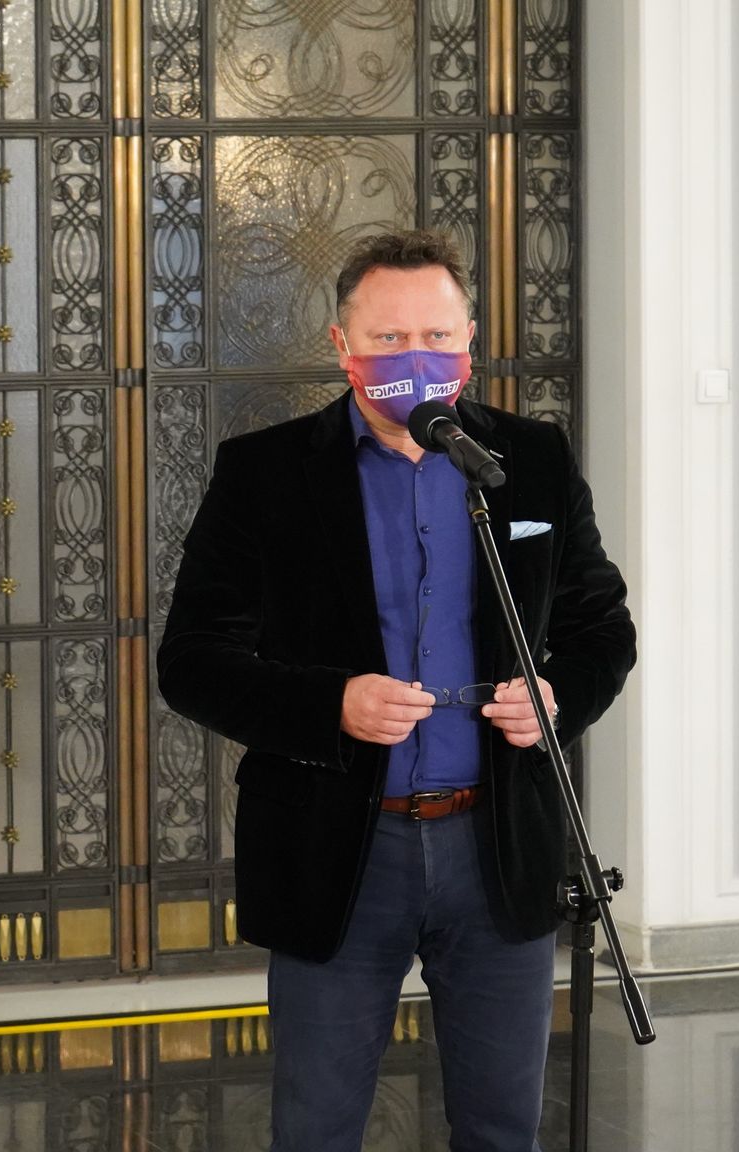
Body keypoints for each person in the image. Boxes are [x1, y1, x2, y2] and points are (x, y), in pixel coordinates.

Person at [156, 228, 635, 1151]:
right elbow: (193, 659)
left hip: (499, 843)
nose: (415, 357)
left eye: (436, 336)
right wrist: (329, 704)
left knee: (503, 1130)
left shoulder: (530, 459)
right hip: (338, 847)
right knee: (317, 1127)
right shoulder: (265, 473)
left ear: (469, 342)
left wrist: (556, 698)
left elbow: (601, 628)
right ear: (343, 345)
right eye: (388, 339)